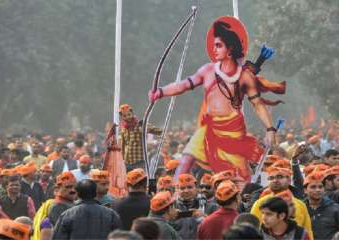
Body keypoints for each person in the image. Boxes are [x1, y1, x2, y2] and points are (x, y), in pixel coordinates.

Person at [149, 16, 285, 182]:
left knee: (241, 176)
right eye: (214, 45)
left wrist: (270, 129)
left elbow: (257, 105)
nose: (214, 49)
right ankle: (177, 195)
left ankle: (240, 203)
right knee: (185, 161)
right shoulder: (207, 70)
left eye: (218, 45)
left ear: (230, 49)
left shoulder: (244, 76)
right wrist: (160, 92)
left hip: (233, 130)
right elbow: (183, 85)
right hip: (209, 127)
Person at [52, 179, 122, 239]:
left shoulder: (67, 215)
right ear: (95, 193)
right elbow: (120, 237)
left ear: (77, 194)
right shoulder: (111, 214)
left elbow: (58, 237)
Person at [119, 104, 162, 171]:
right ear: (122, 117)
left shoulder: (141, 124)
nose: (127, 117)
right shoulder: (123, 129)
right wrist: (121, 160)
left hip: (139, 161)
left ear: (132, 114)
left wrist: (147, 130)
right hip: (127, 162)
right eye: (124, 116)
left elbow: (159, 131)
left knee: (140, 180)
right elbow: (123, 146)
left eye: (129, 114)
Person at [303, 171, 339, 239]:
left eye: (320, 187)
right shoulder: (301, 208)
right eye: (313, 187)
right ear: (305, 190)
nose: (318, 190)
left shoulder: (335, 209)